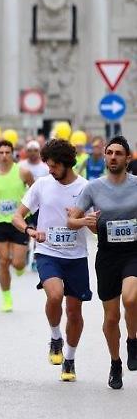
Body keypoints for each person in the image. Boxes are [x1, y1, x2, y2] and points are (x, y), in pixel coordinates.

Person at [12, 139, 91, 382]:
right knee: (55, 295)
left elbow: (96, 228)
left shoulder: (86, 188)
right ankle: (56, 336)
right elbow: (17, 216)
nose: (50, 170)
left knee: (75, 312)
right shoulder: (42, 185)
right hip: (48, 252)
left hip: (76, 256)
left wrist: (81, 221)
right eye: (48, 165)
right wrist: (30, 231)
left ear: (67, 164)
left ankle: (69, 358)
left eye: (54, 166)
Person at [67, 136, 137, 389]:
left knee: (130, 298)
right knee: (111, 318)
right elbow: (71, 221)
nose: (114, 157)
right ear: (105, 157)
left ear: (128, 158)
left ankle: (132, 340)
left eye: (119, 153)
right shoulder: (93, 188)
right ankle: (115, 362)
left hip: (133, 253)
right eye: (110, 153)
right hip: (107, 255)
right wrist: (84, 221)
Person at [0, 140, 30, 311]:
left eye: (7, 152)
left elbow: (35, 191)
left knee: (17, 263)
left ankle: (20, 266)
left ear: (12, 153)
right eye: (1, 152)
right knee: (3, 261)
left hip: (19, 222)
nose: (4, 156)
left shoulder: (23, 172)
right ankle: (6, 298)